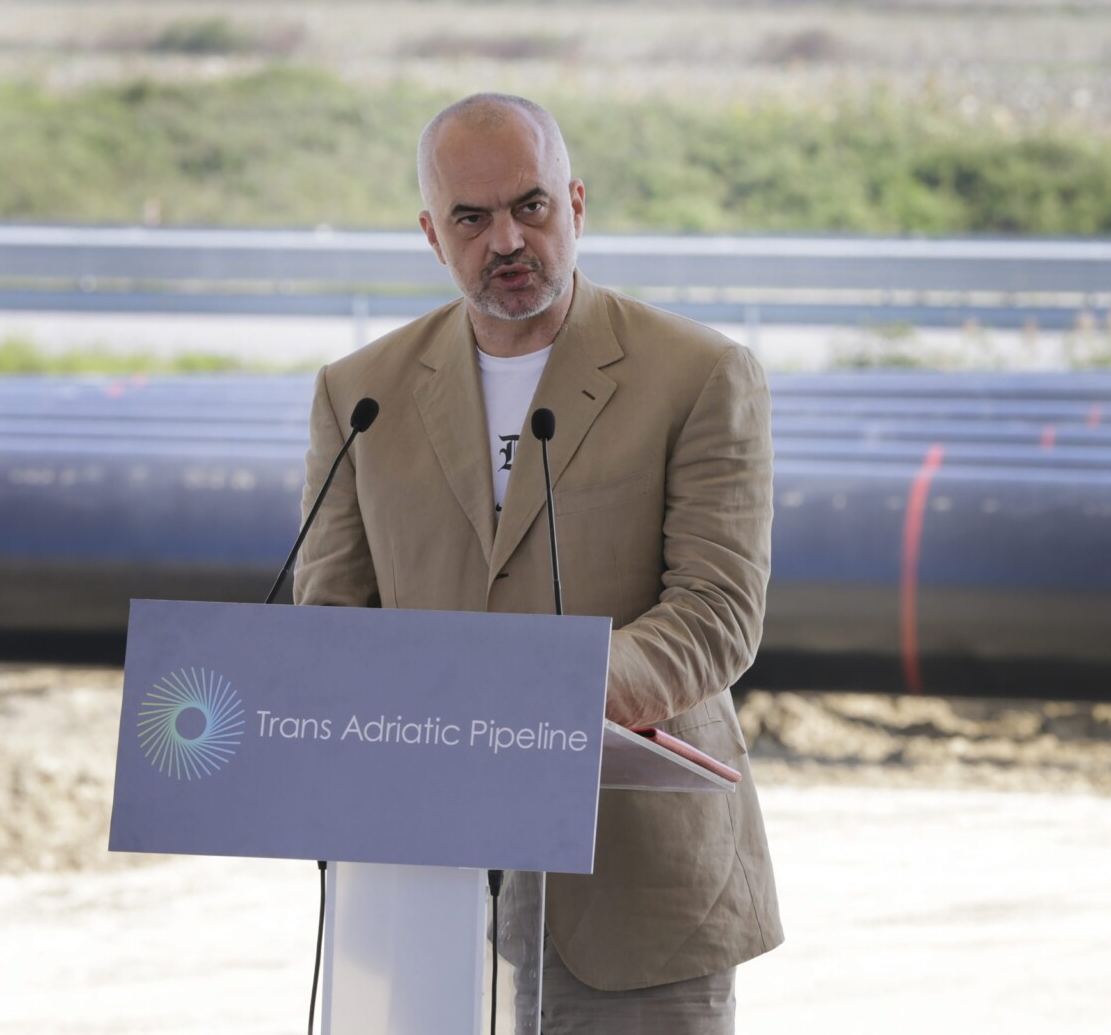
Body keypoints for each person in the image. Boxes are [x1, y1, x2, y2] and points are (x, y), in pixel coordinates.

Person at [293, 92, 782, 1031]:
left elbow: (717, 613)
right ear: (433, 236)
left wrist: (540, 696)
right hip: (417, 881)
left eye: (531, 206)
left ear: (577, 205)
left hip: (635, 890)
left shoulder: (699, 375)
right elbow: (331, 619)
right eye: (472, 219)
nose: (507, 240)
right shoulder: (359, 395)